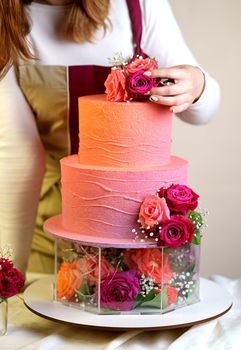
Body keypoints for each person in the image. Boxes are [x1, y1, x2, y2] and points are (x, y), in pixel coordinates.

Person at [0, 0, 220, 274]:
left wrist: (197, 85)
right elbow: (19, 157)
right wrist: (9, 273)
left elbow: (203, 112)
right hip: (52, 230)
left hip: (139, 234)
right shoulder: (6, 24)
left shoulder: (137, 6)